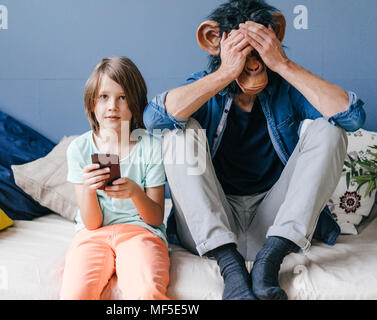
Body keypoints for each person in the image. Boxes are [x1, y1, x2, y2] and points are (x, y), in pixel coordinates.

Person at [143, 0, 366, 300]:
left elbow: (351, 116)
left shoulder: (284, 88)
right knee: (178, 133)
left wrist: (282, 64)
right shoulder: (207, 85)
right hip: (215, 220)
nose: (254, 64)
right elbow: (154, 119)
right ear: (214, 42)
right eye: (243, 51)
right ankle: (230, 267)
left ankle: (269, 260)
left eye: (259, 50)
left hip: (274, 222)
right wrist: (225, 72)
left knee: (329, 128)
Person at [60, 56, 170, 300]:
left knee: (146, 293)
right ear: (91, 104)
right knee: (75, 294)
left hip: (140, 231)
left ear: (135, 104)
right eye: (104, 97)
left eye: (123, 97)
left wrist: (135, 192)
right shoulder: (79, 149)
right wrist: (88, 190)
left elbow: (155, 218)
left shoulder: (150, 147)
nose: (113, 106)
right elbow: (92, 223)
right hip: (93, 235)